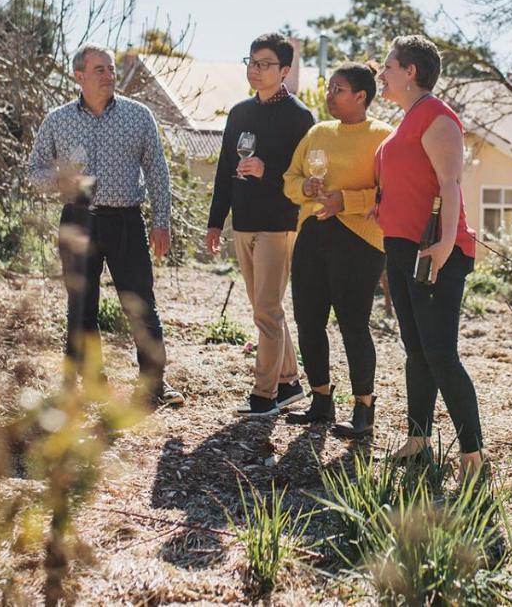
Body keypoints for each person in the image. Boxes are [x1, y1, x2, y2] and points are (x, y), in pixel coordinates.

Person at [28, 43, 184, 407]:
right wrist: (63, 181)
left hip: (126, 220)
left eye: (112, 69)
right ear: (78, 75)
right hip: (77, 221)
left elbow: (158, 171)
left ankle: (153, 387)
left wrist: (161, 221)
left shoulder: (138, 116)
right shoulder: (57, 120)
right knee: (81, 305)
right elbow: (35, 174)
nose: (109, 75)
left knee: (141, 305)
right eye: (100, 69)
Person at [374, 35, 484, 479]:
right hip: (400, 248)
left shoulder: (438, 119)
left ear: (410, 71)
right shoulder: (406, 121)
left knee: (440, 353)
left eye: (387, 66)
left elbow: (449, 185)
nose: (381, 74)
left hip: (434, 250)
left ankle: (473, 457)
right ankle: (418, 442)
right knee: (416, 350)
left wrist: (442, 245)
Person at [205, 33, 315, 417]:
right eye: (251, 62)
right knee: (265, 308)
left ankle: (263, 396)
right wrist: (216, 222)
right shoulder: (239, 113)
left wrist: (267, 170)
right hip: (244, 222)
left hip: (279, 224)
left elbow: (304, 176)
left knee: (266, 310)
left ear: (284, 71)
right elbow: (223, 172)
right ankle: (289, 382)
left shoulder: (300, 118)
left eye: (265, 64)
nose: (255, 69)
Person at [282, 62, 393, 437]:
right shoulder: (318, 132)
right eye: (329, 87)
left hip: (360, 242)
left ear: (361, 96)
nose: (329, 94)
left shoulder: (383, 136)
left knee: (353, 325)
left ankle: (364, 407)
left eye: (338, 89)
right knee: (308, 320)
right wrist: (306, 190)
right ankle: (321, 400)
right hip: (313, 234)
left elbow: (388, 193)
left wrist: (345, 200)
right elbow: (290, 179)